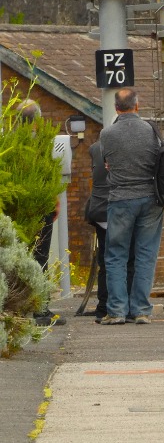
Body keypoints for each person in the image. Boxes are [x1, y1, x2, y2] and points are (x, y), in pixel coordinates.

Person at [98, 88, 163, 325]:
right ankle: (142, 310)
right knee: (146, 254)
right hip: (150, 199)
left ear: (116, 108)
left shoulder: (107, 134)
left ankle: (116, 311)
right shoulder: (151, 131)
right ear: (137, 106)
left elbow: (107, 163)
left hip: (120, 200)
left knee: (116, 255)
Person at [19, 99, 66, 327]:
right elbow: (49, 176)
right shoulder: (42, 144)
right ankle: (40, 310)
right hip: (40, 206)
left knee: (18, 257)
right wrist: (55, 202)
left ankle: (18, 307)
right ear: (37, 120)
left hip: (17, 209)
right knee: (40, 258)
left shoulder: (11, 141)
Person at [84, 141, 133, 322]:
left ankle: (103, 307)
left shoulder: (94, 147)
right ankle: (125, 307)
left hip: (98, 210)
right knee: (127, 260)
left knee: (105, 261)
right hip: (121, 209)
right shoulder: (129, 147)